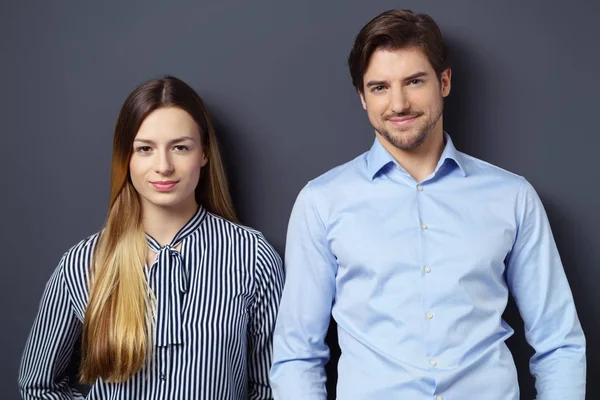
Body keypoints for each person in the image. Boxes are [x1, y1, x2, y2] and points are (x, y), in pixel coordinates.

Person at [270, 9, 586, 400]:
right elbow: (297, 355)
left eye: (415, 81)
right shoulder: (321, 202)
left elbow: (560, 343)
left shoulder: (512, 197)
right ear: (362, 98)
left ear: (444, 81)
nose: (398, 104)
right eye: (379, 87)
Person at [19, 76, 284, 399]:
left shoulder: (251, 256)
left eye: (180, 147)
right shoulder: (83, 262)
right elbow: (38, 385)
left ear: (204, 153)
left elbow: (272, 387)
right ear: (125, 157)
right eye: (145, 149)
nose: (163, 166)